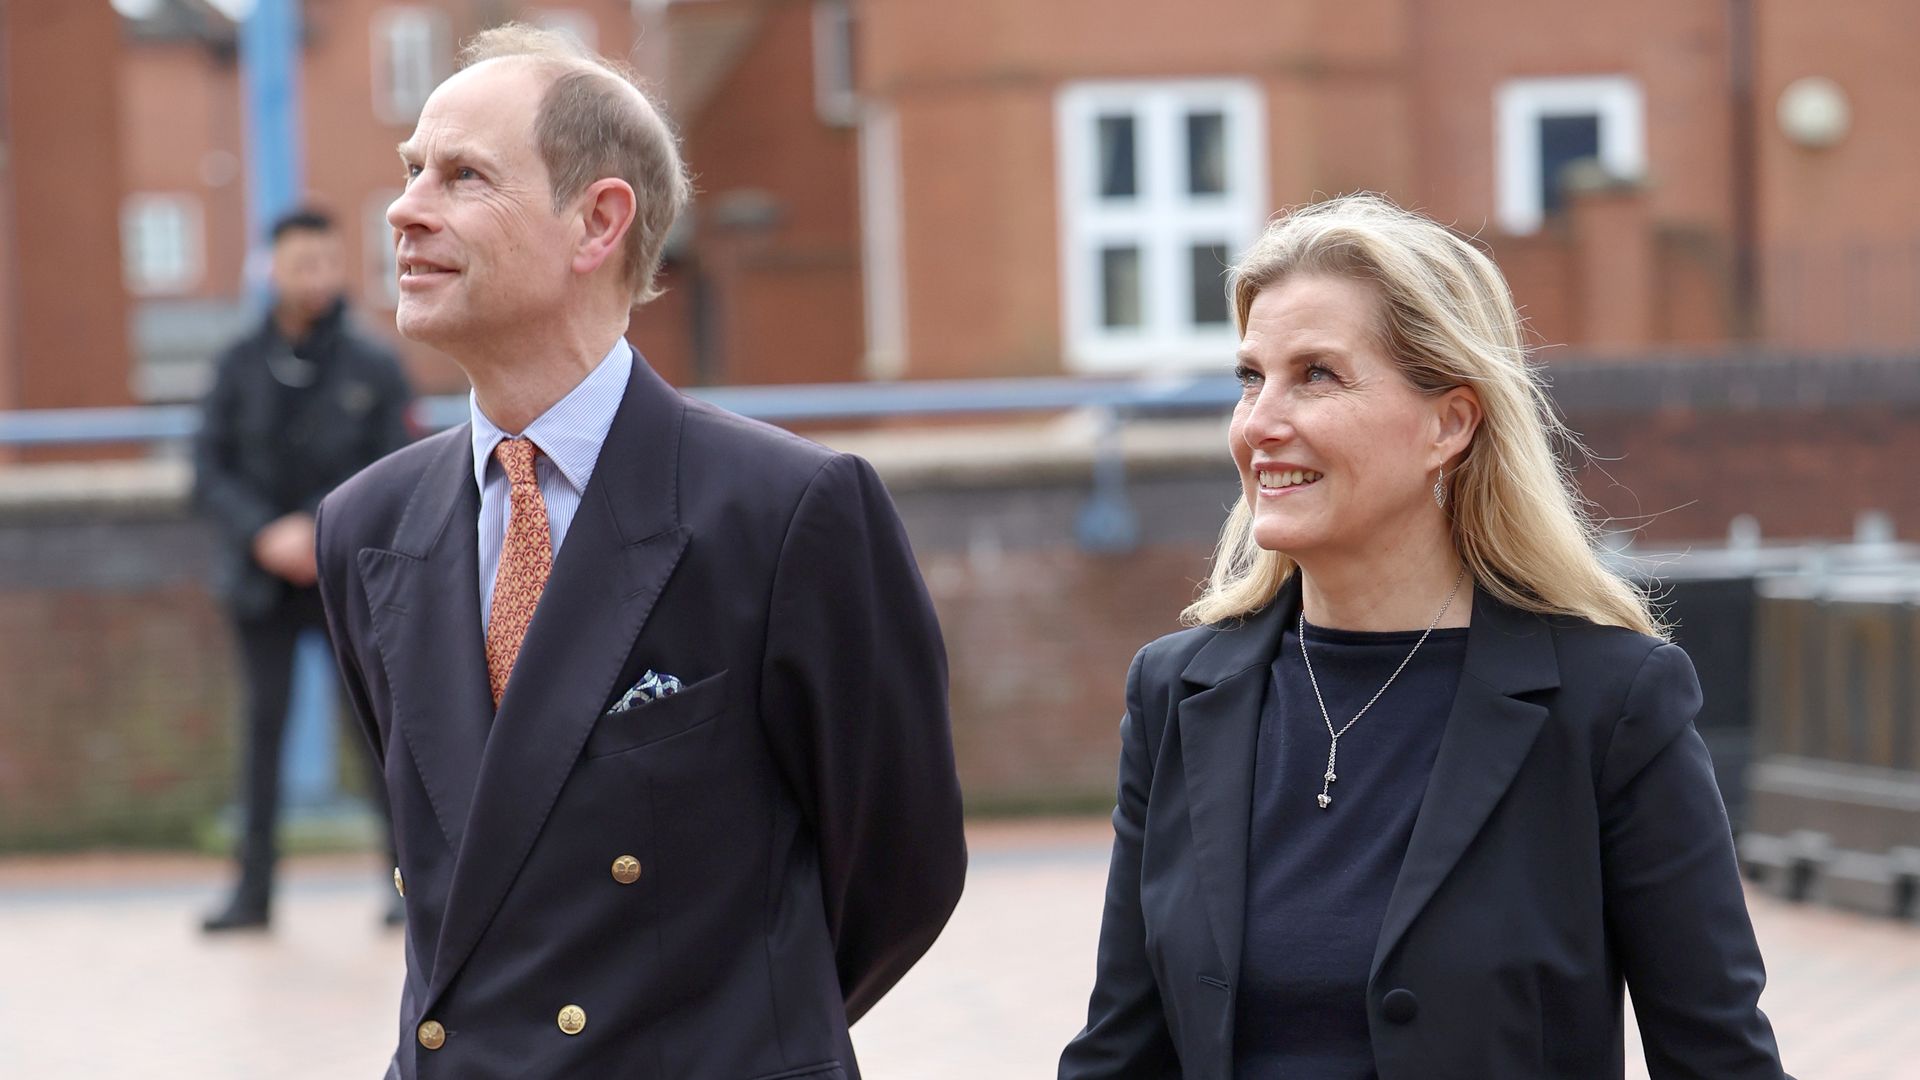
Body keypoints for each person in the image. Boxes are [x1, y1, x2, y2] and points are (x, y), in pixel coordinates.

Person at [313, 24, 966, 1078]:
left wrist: (727, 1034)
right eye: (411, 171)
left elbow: (903, 868)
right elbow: (447, 857)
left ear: (598, 222)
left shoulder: (789, 511)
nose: (406, 207)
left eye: (463, 175)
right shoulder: (366, 526)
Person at [1059, 194, 1790, 1079]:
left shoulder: (1610, 703)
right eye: (1252, 376)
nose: (1258, 425)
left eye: (1317, 375)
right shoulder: (1178, 694)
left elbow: (1719, 1060)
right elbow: (1121, 1052)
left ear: (1450, 423)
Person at [193, 207, 414, 933]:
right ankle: (252, 895)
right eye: (298, 263)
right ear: (271, 269)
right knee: (262, 735)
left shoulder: (374, 364)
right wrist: (262, 534)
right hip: (259, 582)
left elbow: (393, 468)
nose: (313, 278)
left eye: (325, 262)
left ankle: (408, 886)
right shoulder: (236, 363)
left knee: (379, 732)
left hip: (343, 579)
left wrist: (315, 529)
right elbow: (207, 466)